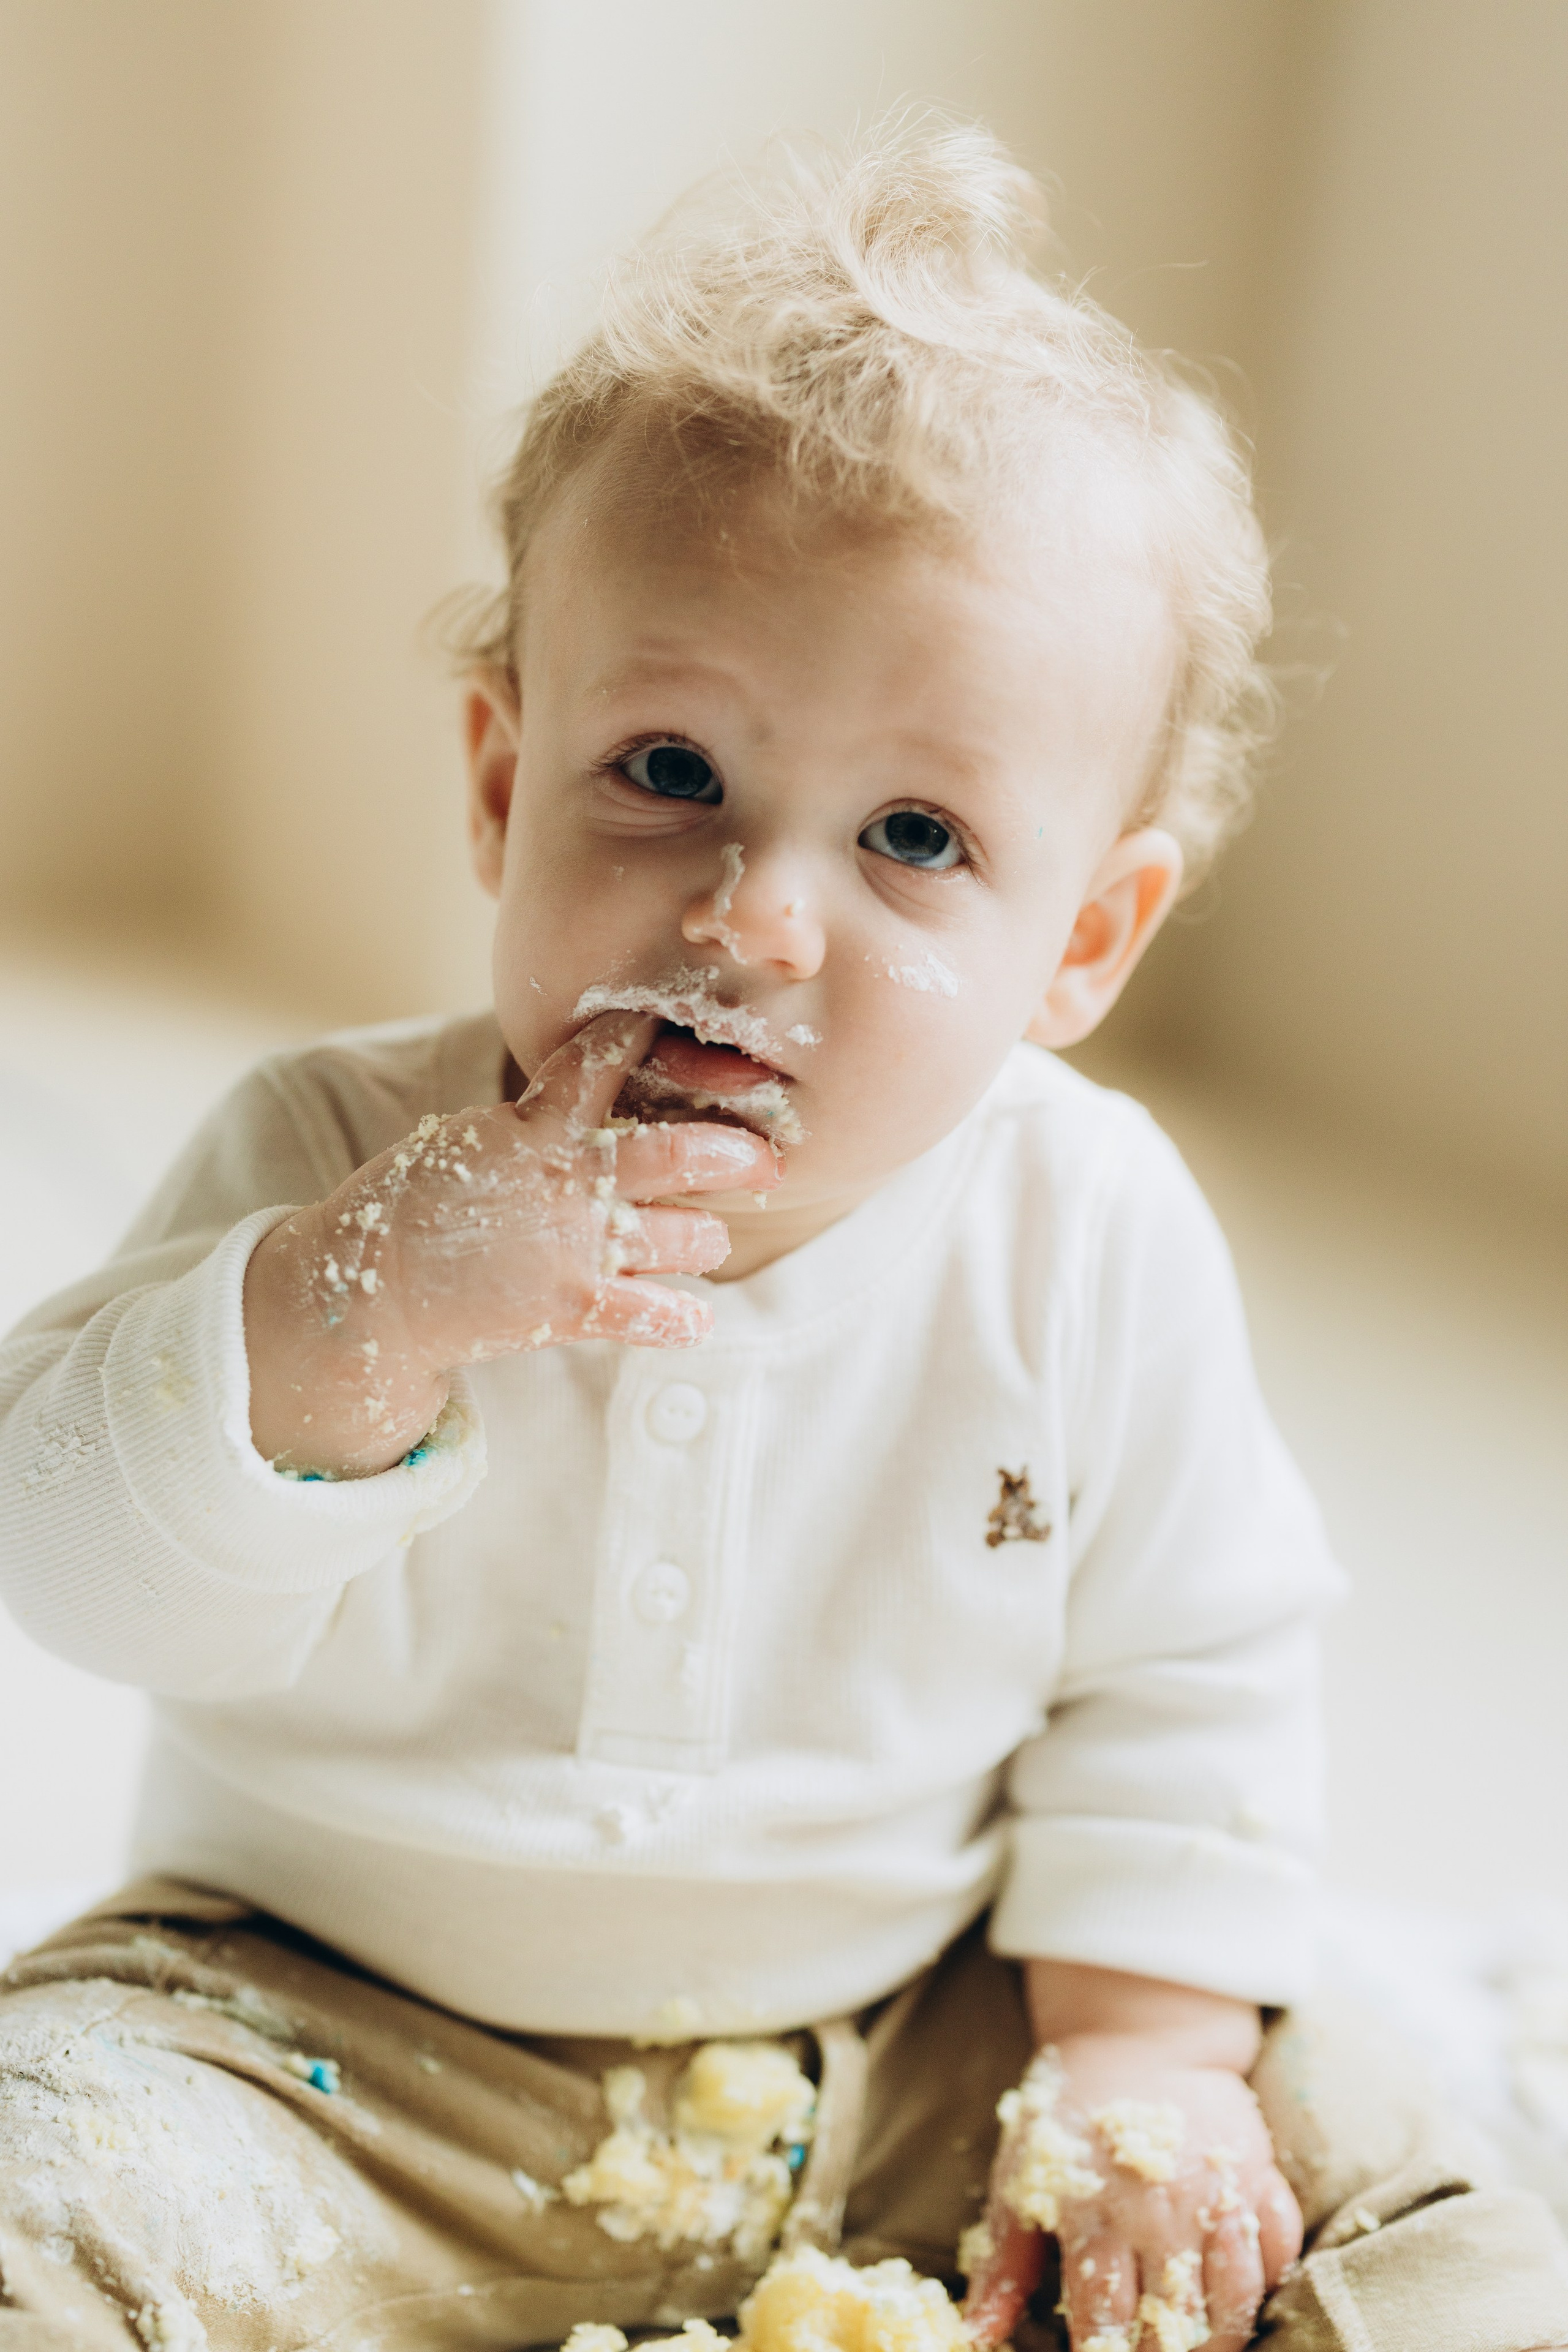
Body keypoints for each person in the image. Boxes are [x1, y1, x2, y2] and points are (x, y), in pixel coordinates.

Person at [1, 117, 1564, 2352]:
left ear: (1084, 939)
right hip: (322, 2052)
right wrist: (360, 1314)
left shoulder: (1083, 1231)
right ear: (500, 781)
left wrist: (1140, 2046)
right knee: (45, 2183)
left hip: (922, 2045)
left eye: (915, 834)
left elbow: (1190, 1669)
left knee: (1407, 2213)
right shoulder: (333, 1154)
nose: (754, 918)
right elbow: (69, 1558)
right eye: (669, 774)